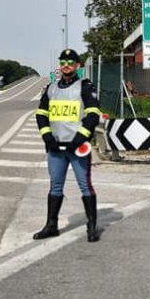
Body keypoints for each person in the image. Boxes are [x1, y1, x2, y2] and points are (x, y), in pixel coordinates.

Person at [33, 49, 102, 242]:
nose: (66, 65)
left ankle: (92, 226)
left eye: (70, 62)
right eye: (63, 62)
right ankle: (51, 225)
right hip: (56, 148)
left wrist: (80, 139)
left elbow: (93, 115)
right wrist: (47, 137)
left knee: (84, 186)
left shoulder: (85, 87)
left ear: (78, 65)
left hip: (77, 148)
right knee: (55, 186)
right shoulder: (51, 88)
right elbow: (41, 115)